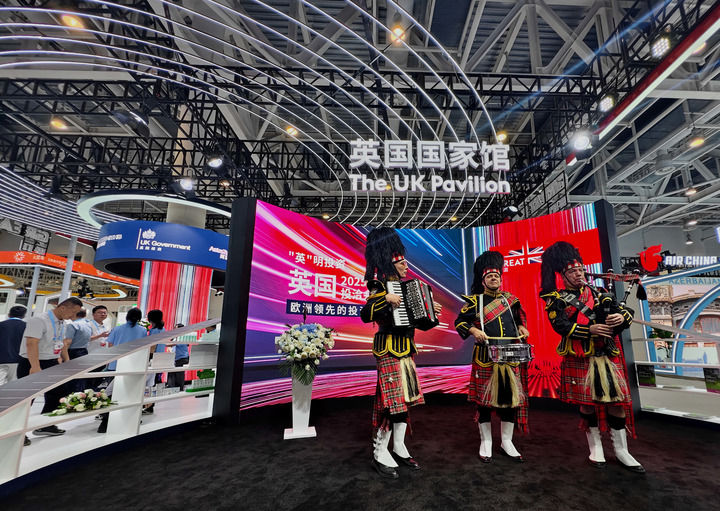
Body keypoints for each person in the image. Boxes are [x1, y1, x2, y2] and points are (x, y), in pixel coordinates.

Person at [539, 241, 644, 473]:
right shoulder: (557, 299)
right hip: (581, 355)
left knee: (616, 403)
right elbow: (560, 325)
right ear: (563, 275)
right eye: (573, 271)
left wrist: (621, 318)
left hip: (606, 354)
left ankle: (622, 451)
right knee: (587, 404)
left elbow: (624, 312)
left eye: (581, 270)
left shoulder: (599, 293)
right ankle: (595, 448)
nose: (579, 274)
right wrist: (589, 330)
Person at [360, 227, 442, 479]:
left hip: (406, 349)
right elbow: (366, 314)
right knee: (391, 401)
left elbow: (418, 321)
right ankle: (379, 451)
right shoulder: (379, 285)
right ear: (392, 262)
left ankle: (399, 445)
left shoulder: (406, 287)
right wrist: (386, 299)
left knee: (403, 399)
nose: (407, 267)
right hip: (387, 347)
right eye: (402, 263)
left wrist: (431, 311)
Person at [454, 251, 530, 463]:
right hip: (485, 357)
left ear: (501, 279)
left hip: (510, 356)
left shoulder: (511, 301)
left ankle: (507, 442)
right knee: (484, 402)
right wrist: (473, 330)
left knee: (511, 400)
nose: (494, 278)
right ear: (483, 281)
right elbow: (460, 322)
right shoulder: (474, 302)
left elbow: (520, 320)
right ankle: (485, 442)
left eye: (497, 276)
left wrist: (522, 327)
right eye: (489, 276)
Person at [17, 297, 84, 437]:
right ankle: (16, 433)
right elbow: (31, 343)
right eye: (73, 312)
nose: (73, 316)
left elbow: (62, 343)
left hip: (51, 361)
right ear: (63, 308)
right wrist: (35, 366)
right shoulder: (39, 320)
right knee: (27, 398)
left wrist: (67, 360)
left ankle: (45, 425)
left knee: (58, 392)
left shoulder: (63, 323)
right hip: (32, 362)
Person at [98, 308, 147, 433]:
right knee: (129, 393)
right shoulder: (143, 330)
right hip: (134, 365)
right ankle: (128, 417)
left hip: (115, 364)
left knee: (110, 393)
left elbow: (110, 345)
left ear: (127, 317)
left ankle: (105, 419)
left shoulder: (117, 329)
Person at [61, 308, 93, 392]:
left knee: (70, 379)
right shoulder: (88, 324)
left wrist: (65, 358)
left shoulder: (73, 325)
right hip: (84, 352)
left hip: (73, 353)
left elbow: (67, 342)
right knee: (80, 378)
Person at [143, 309, 166, 414]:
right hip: (160, 358)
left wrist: (148, 357)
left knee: (148, 384)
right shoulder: (163, 329)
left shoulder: (154, 330)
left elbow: (152, 346)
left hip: (152, 358)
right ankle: (150, 406)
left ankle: (148, 405)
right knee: (152, 383)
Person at [0, 305, 27, 386]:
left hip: (1, 359)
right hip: (18, 360)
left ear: (9, 314)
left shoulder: (1, 325)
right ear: (24, 316)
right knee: (13, 385)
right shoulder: (26, 326)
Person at [167, 323, 189, 390]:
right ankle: (172, 387)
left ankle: (179, 388)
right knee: (173, 373)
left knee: (179, 374)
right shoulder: (177, 337)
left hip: (181, 358)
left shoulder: (182, 337)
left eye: (176, 329)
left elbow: (172, 344)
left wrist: (161, 344)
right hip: (176, 358)